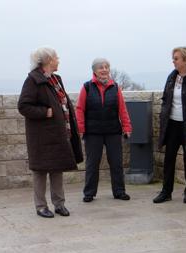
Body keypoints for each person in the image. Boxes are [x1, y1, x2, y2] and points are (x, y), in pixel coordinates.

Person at [18, 47, 83, 218]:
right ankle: (40, 206)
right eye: (56, 57)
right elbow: (23, 106)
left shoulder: (56, 79)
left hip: (58, 133)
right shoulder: (33, 80)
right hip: (41, 136)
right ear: (48, 60)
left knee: (57, 168)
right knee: (40, 171)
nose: (58, 60)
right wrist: (44, 112)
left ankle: (59, 204)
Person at [75, 58, 132, 202]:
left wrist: (127, 126)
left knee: (116, 163)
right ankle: (89, 193)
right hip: (93, 132)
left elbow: (122, 109)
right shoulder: (87, 87)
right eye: (101, 67)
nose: (105, 70)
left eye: (107, 67)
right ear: (94, 71)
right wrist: (80, 128)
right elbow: (80, 109)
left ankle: (119, 191)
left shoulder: (115, 87)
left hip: (112, 131)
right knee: (92, 163)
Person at [153, 47, 186, 204]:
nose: (173, 61)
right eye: (173, 58)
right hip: (172, 125)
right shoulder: (171, 77)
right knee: (169, 159)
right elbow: (166, 100)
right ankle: (166, 192)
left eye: (176, 58)